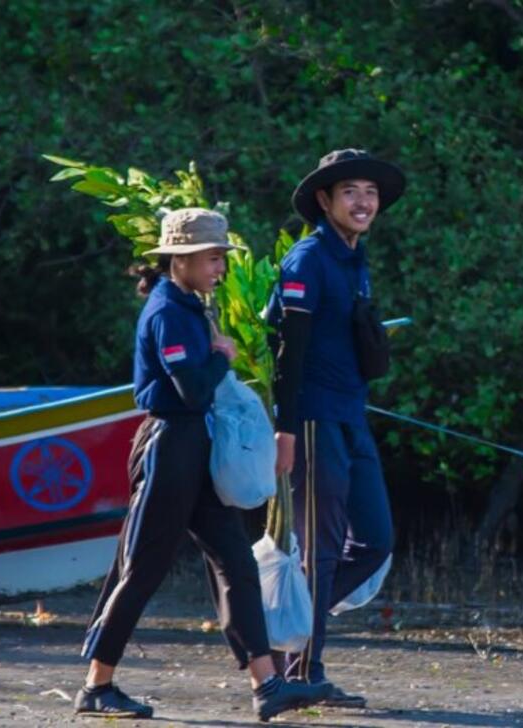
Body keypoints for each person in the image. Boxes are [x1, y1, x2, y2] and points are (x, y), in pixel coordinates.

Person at [75, 208, 332, 721]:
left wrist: (215, 355)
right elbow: (191, 389)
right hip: (169, 447)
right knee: (142, 568)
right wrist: (222, 357)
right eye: (213, 258)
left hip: (198, 447)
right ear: (181, 259)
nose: (220, 268)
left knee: (236, 561)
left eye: (221, 258)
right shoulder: (167, 311)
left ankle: (267, 685)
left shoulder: (191, 305)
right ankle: (96, 685)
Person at [267, 149, 406, 707]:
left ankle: (279, 629)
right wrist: (285, 430)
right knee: (319, 552)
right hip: (312, 419)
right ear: (325, 200)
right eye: (350, 191)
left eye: (370, 192)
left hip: (352, 415)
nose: (363, 201)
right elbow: (288, 351)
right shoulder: (306, 259)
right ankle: (304, 673)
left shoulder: (357, 258)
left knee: (375, 542)